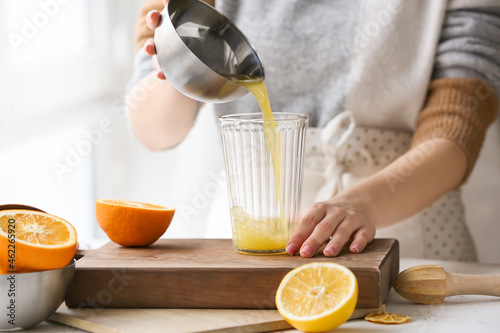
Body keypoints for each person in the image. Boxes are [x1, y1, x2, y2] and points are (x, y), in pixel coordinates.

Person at [127, 0, 500, 261]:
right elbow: (156, 132)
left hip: (402, 225)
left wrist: (363, 204)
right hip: (248, 245)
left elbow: (455, 132)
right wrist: (176, 64)